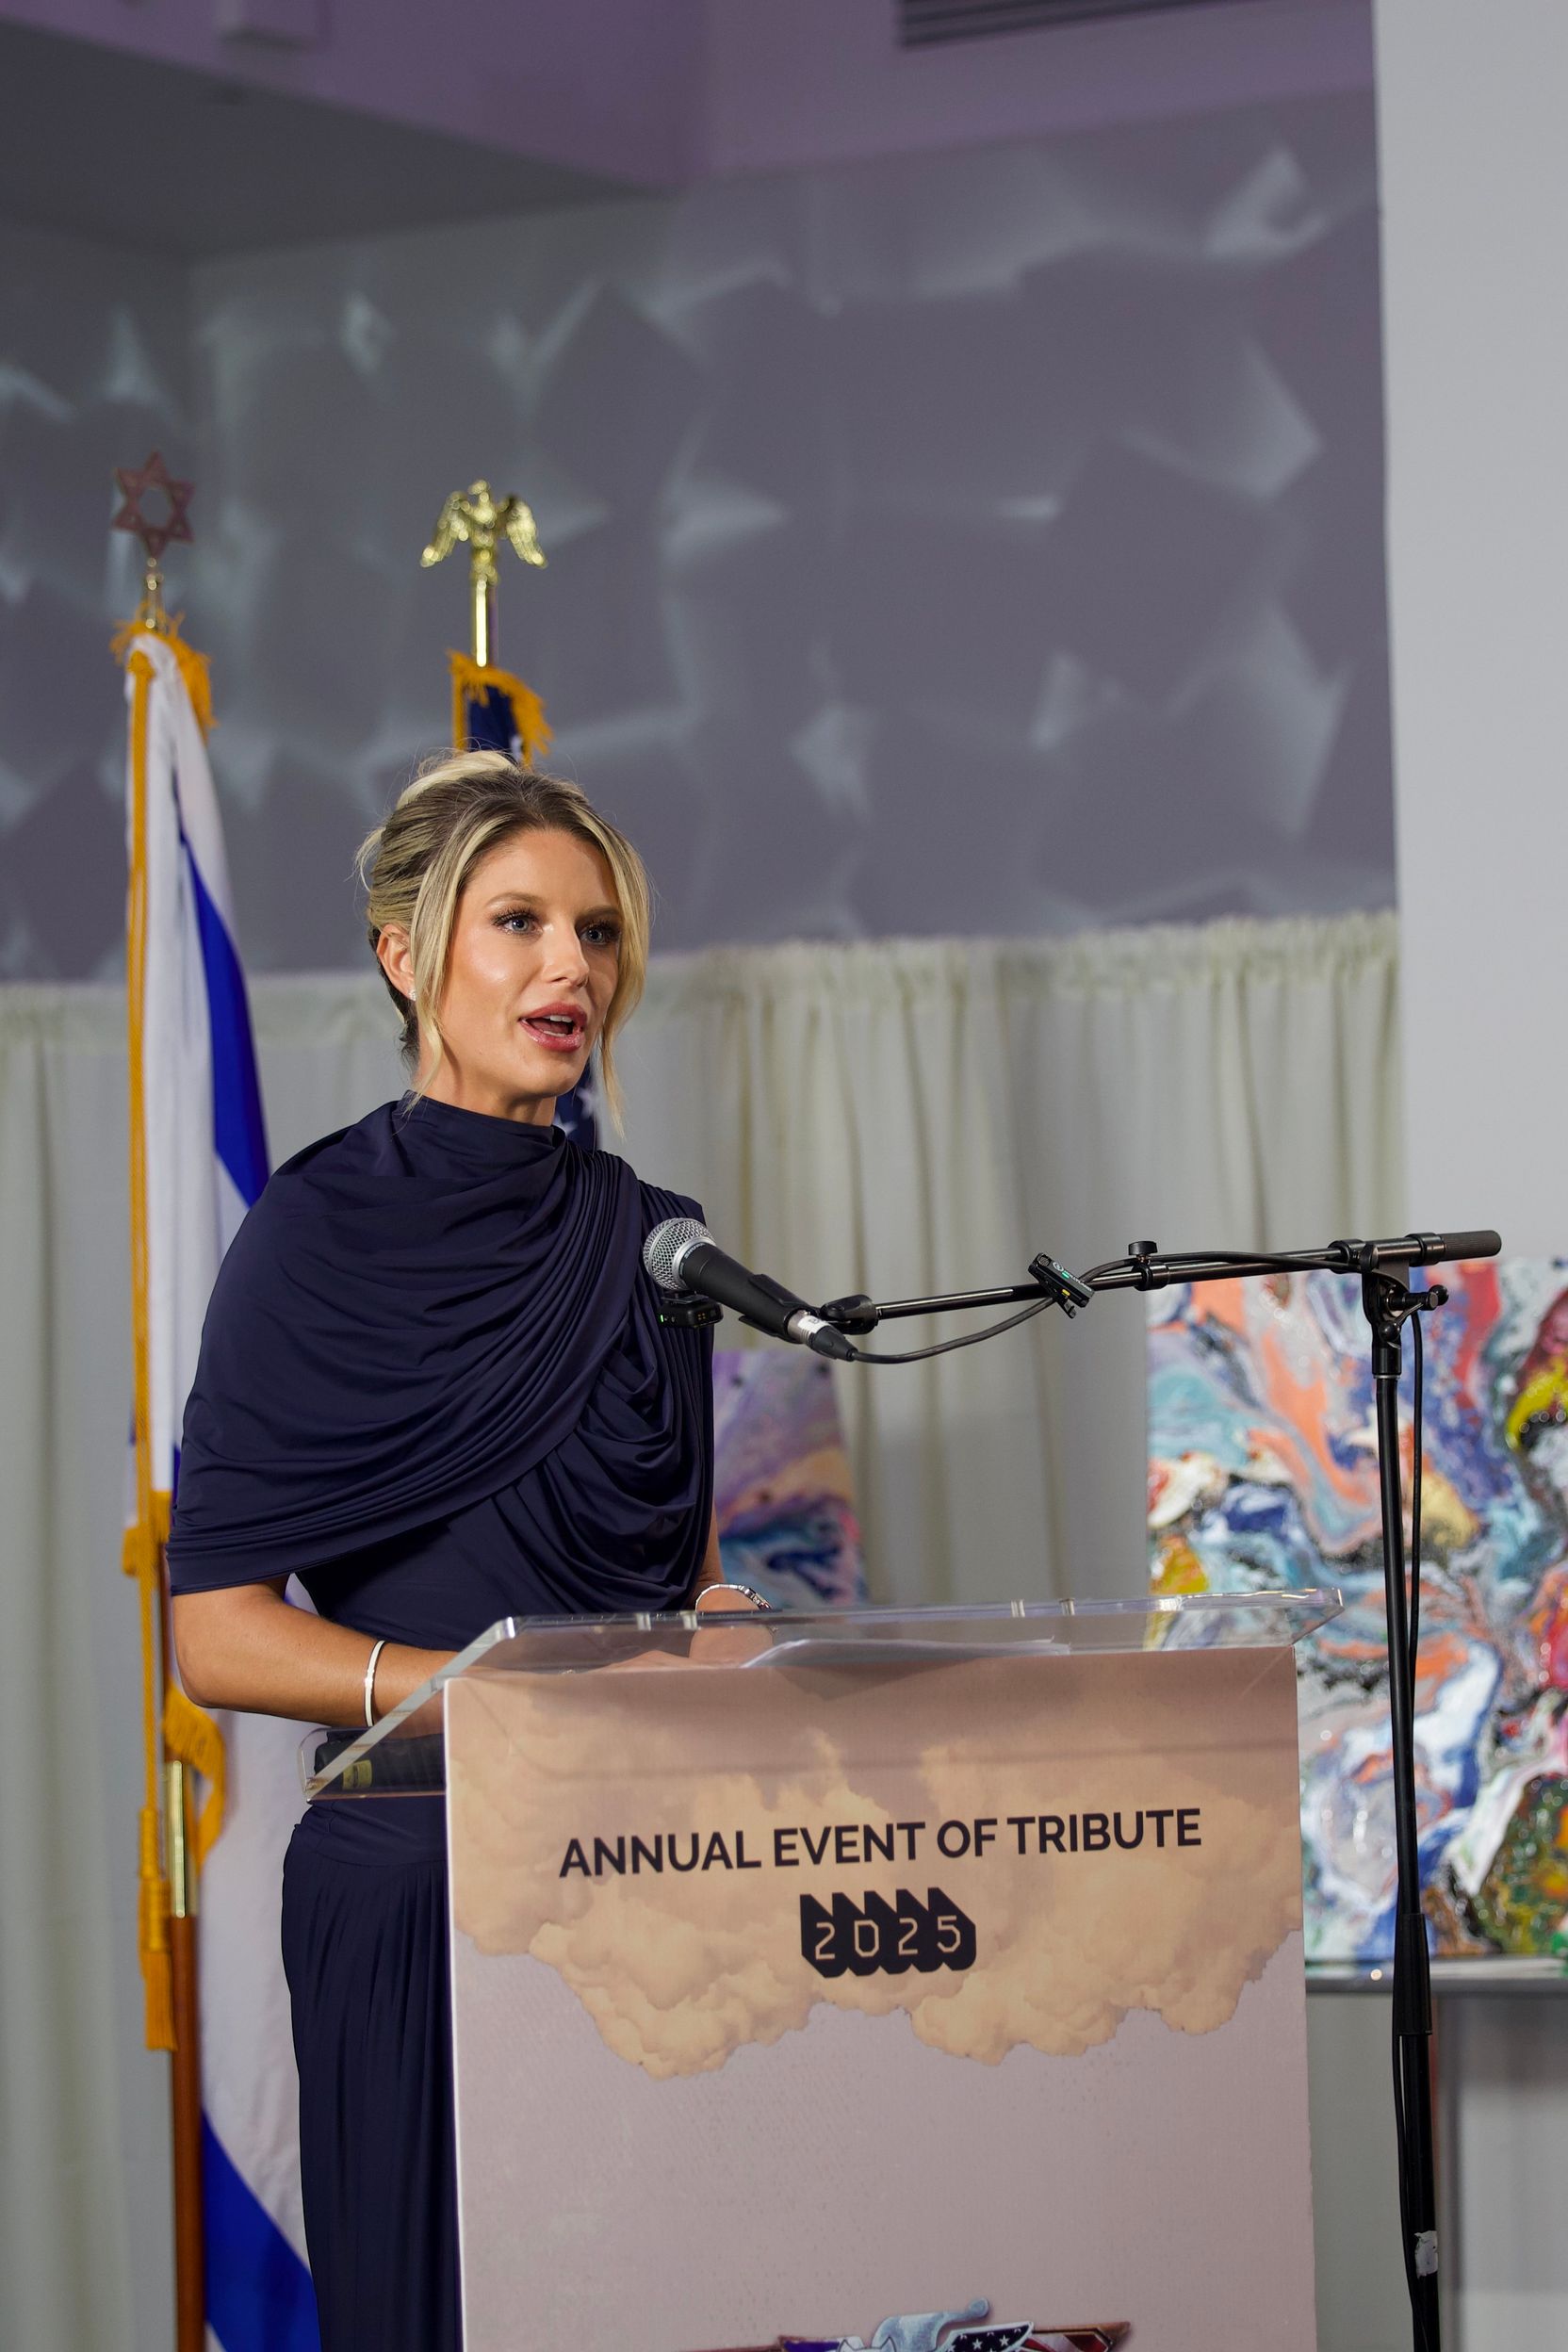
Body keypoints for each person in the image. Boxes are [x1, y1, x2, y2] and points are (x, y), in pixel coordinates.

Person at [168, 751, 740, 2352]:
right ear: (404, 955)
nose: (573, 968)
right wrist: (470, 1692)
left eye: (598, 932)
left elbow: (688, 1565)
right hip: (420, 1877)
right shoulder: (309, 1237)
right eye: (520, 923)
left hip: (658, 1875)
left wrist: (737, 1623)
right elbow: (217, 1633)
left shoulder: (657, 1238)